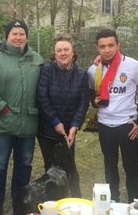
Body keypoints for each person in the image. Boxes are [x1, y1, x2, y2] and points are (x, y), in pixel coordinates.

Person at [0, 19, 44, 215]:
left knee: (24, 166)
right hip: (3, 124)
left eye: (22, 33)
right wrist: (1, 106)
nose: (18, 37)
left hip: (28, 125)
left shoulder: (37, 60)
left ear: (27, 37)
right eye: (14, 33)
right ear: (7, 36)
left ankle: (19, 203)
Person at [87, 28, 138, 203]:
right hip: (104, 125)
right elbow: (91, 97)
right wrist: (95, 101)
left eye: (111, 45)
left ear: (118, 45)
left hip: (127, 126)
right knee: (109, 166)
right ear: (97, 48)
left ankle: (134, 204)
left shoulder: (133, 66)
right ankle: (113, 202)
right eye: (102, 46)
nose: (107, 50)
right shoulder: (93, 70)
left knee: (131, 167)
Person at [37, 34, 90, 197]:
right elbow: (42, 97)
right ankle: (53, 202)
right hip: (47, 130)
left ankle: (75, 200)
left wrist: (75, 126)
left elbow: (83, 103)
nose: (63, 53)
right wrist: (55, 121)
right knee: (51, 167)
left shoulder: (82, 74)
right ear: (55, 54)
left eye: (66, 49)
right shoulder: (46, 70)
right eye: (59, 50)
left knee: (69, 167)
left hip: (68, 132)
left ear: (73, 52)